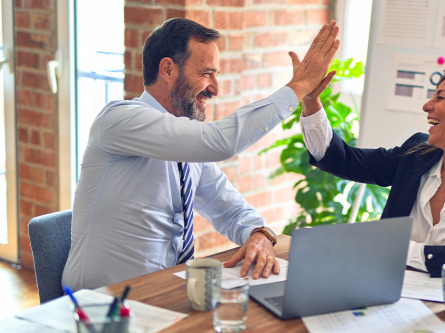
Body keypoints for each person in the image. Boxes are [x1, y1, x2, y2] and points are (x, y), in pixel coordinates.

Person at [62, 18, 339, 290]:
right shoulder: (119, 120)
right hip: (103, 304)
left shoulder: (186, 146)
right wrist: (299, 86)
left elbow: (228, 207)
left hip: (165, 293)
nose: (215, 89)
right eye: (207, 73)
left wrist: (259, 233)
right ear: (168, 69)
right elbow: (222, 142)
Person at [300, 63, 445, 283]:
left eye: (440, 97)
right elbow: (343, 160)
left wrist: (393, 248)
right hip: (390, 293)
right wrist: (311, 102)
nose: (427, 106)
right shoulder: (415, 155)